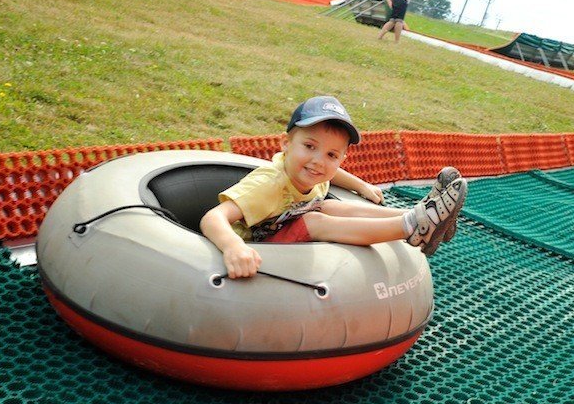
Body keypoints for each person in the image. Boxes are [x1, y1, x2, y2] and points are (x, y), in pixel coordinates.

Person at [200, 96, 466, 279]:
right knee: (314, 218)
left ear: (341, 158)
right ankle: (410, 228)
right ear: (285, 144)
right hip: (257, 246)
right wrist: (233, 246)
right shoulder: (269, 184)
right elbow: (213, 217)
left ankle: (423, 217)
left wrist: (361, 185)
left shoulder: (313, 172)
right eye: (310, 147)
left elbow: (333, 174)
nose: (319, 161)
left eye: (331, 155)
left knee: (328, 205)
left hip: (281, 226)